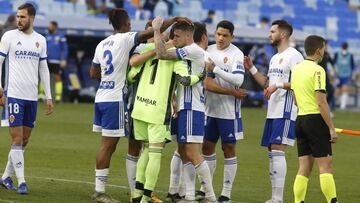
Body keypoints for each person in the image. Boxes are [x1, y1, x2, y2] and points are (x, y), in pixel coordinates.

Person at [89, 8, 189, 203]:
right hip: (114, 100)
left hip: (101, 96)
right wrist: (173, 20)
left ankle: (129, 190)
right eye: (129, 24)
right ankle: (101, 192)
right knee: (110, 146)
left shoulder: (102, 43)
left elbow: (93, 73)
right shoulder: (125, 39)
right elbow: (151, 31)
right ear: (126, 24)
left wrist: (111, 76)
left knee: (111, 145)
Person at [129, 17, 205, 203]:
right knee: (155, 152)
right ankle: (146, 198)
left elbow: (131, 74)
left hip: (139, 108)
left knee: (145, 151)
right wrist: (201, 76)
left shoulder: (147, 50)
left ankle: (136, 195)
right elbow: (184, 81)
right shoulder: (175, 57)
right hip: (157, 110)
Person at [152, 21, 217, 202]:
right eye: (173, 36)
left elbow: (161, 53)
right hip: (185, 107)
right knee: (184, 151)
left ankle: (210, 196)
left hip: (191, 108)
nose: (174, 39)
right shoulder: (196, 53)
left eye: (177, 36)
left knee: (192, 153)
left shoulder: (193, 50)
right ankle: (187, 195)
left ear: (189, 36)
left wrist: (157, 29)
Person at [244, 20, 304, 203]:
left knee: (278, 151)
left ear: (283, 34)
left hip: (286, 110)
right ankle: (274, 197)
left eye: (272, 31)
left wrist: (276, 86)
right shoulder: (274, 58)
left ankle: (278, 199)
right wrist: (252, 69)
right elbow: (267, 84)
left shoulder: (295, 56)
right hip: (272, 111)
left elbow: (300, 84)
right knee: (272, 152)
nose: (269, 34)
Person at [0, 3, 53, 194]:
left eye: (22, 17)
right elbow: (0, 62)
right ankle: (21, 182)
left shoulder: (41, 40)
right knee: (16, 139)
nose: (19, 20)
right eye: (17, 16)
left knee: (25, 139)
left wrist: (48, 96)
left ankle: (6, 176)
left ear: (32, 18)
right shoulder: (9, 37)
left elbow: (43, 69)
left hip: (31, 98)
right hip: (13, 95)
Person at [197, 20, 245, 203]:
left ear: (232, 37)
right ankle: (204, 188)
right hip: (209, 109)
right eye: (218, 34)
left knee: (228, 148)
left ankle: (226, 193)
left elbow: (238, 80)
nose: (220, 38)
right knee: (206, 148)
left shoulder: (236, 54)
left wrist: (215, 69)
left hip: (228, 112)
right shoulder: (208, 50)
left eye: (225, 35)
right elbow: (206, 81)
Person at [291, 35, 338, 203]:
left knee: (304, 168)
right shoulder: (318, 70)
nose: (324, 52)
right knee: (325, 167)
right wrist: (331, 128)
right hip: (315, 121)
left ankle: (298, 201)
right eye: (324, 48)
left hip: (300, 119)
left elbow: (295, 98)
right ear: (319, 50)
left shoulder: (296, 69)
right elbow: (321, 102)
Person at [126, 21, 163, 203]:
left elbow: (132, 73)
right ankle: (138, 192)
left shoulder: (164, 50)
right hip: (139, 105)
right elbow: (132, 65)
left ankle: (140, 191)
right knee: (138, 148)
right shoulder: (140, 48)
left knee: (147, 148)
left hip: (145, 106)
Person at [40, 21, 68, 103]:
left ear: (55, 27)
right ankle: (41, 95)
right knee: (44, 77)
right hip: (47, 60)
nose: (49, 27)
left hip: (57, 61)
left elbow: (65, 49)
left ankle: (58, 96)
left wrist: (64, 59)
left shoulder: (61, 36)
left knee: (58, 78)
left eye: (50, 26)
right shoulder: (47, 36)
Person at [334, 42, 355, 110]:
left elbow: (352, 66)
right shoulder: (337, 54)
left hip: (347, 75)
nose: (344, 49)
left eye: (345, 47)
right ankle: (334, 105)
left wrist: (352, 76)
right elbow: (333, 64)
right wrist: (334, 74)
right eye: (343, 47)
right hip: (338, 75)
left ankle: (342, 106)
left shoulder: (350, 55)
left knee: (345, 89)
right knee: (337, 90)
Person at [318, 40, 336, 113]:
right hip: (318, 76)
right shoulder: (318, 54)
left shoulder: (327, 54)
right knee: (318, 93)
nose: (326, 47)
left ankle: (326, 107)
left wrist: (334, 72)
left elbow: (332, 63)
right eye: (325, 45)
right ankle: (319, 109)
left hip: (325, 77)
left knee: (331, 91)